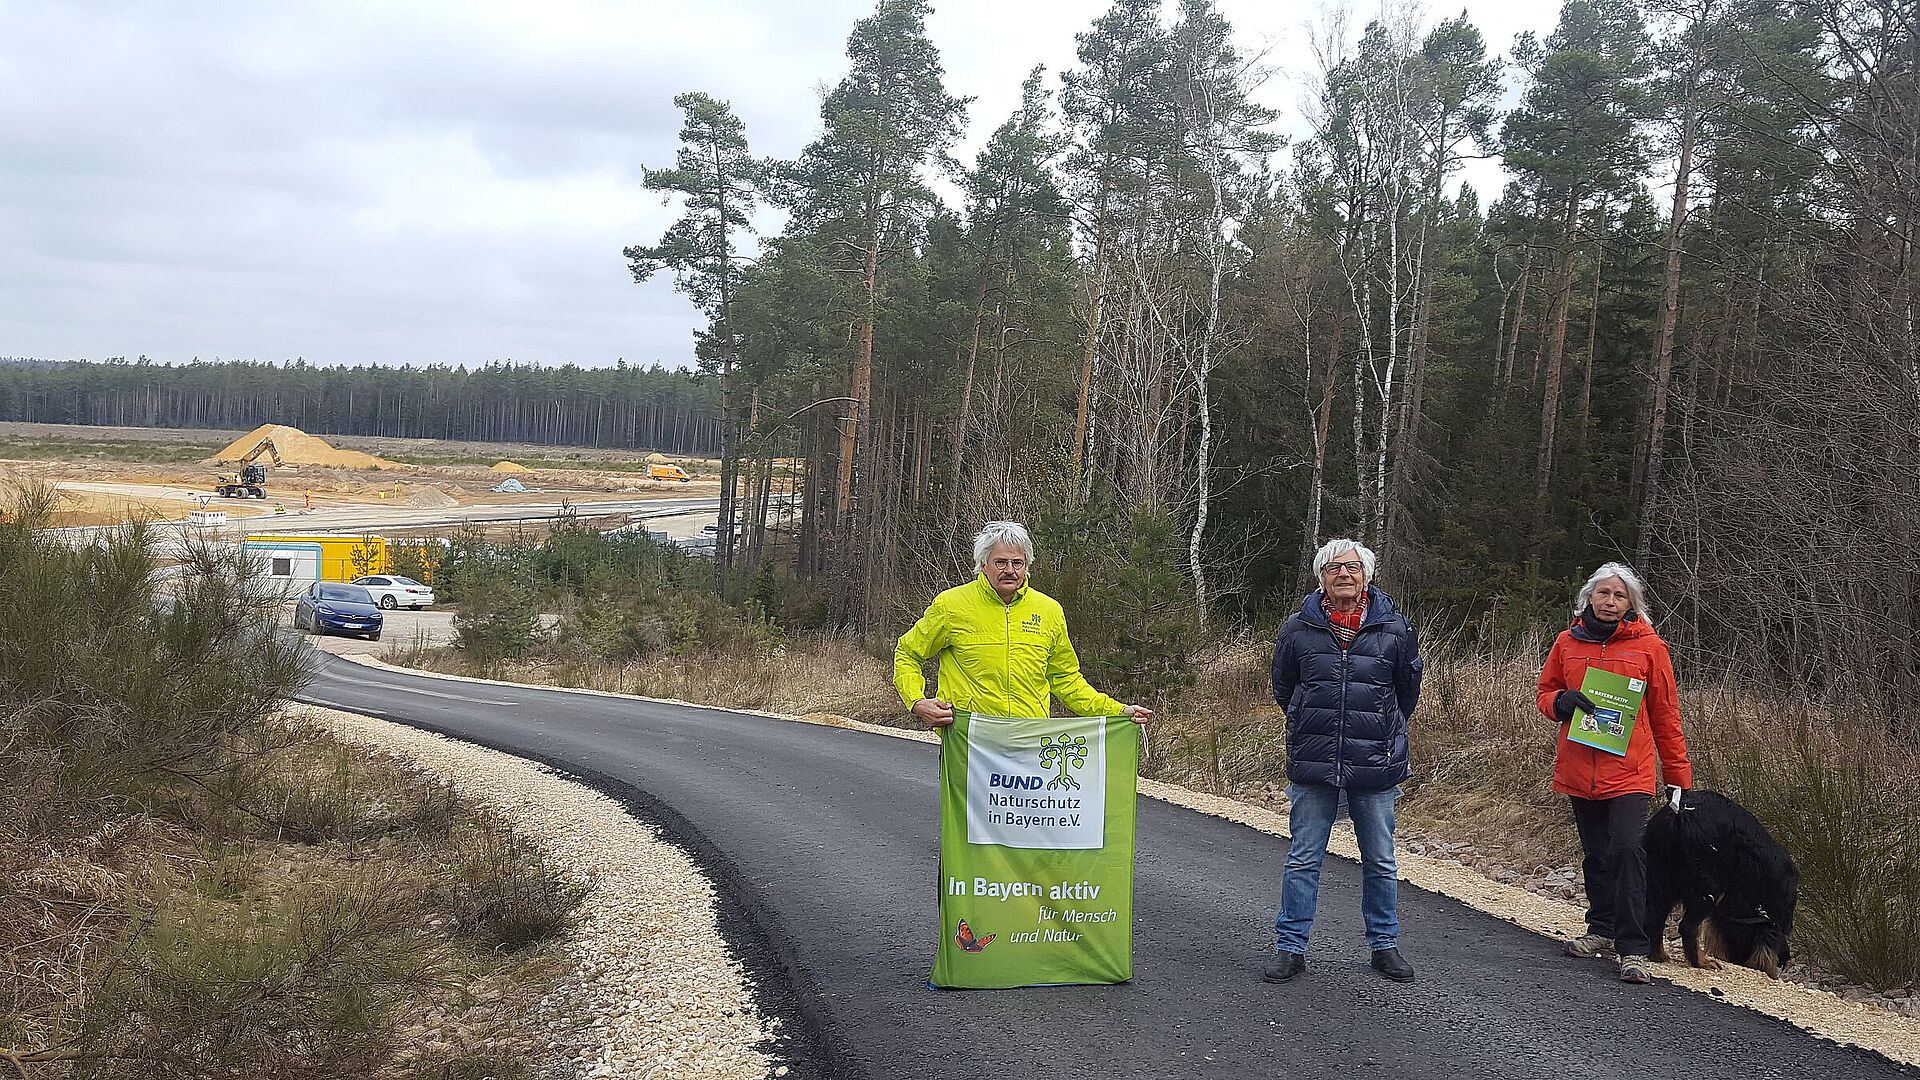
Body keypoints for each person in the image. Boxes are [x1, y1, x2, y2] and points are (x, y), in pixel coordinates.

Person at [1264, 538, 1423, 985]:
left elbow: (1405, 694)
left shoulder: (1395, 629)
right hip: (1313, 761)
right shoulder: (1297, 628)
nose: (1345, 574)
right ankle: (1290, 948)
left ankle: (1384, 945)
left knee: (1380, 859)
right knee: (1303, 858)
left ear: (1367, 576)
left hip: (1375, 761)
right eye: (1334, 567)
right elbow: (1285, 689)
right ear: (1321, 577)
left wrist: (1379, 735)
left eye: (1353, 567)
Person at [1537, 562, 1692, 985]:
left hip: (1629, 770)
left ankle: (1633, 947)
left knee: (1627, 849)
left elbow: (1666, 715)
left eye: (1619, 595)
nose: (1609, 602)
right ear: (1589, 598)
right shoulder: (1567, 642)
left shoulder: (1649, 647)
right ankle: (1600, 929)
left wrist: (1679, 777)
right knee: (1597, 854)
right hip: (1578, 766)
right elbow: (1545, 692)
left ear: (1631, 604)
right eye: (1603, 593)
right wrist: (1560, 702)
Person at [893, 520, 1152, 727]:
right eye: (1000, 562)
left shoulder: (1049, 611)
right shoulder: (951, 605)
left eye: (1017, 563)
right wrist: (917, 701)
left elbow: (1066, 680)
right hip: (969, 738)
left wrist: (1118, 711)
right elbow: (908, 652)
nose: (1010, 570)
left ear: (1026, 566)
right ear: (983, 565)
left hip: (1029, 740)